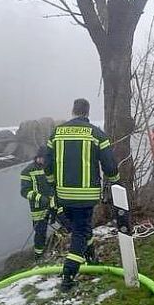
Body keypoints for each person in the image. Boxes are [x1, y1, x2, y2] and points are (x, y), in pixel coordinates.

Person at [45, 98, 119, 291]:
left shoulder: (56, 133)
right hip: (85, 196)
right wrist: (115, 179)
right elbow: (109, 165)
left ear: (73, 111)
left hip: (63, 194)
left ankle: (91, 258)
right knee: (81, 232)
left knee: (82, 229)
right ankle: (68, 275)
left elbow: (47, 165)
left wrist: (54, 185)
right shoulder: (96, 134)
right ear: (87, 112)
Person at [20, 151, 56, 261]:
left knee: (66, 223)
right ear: (38, 158)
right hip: (38, 208)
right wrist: (41, 199)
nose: (45, 161)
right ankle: (39, 256)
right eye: (44, 158)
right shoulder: (27, 171)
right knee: (40, 232)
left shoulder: (50, 167)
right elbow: (25, 191)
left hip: (54, 204)